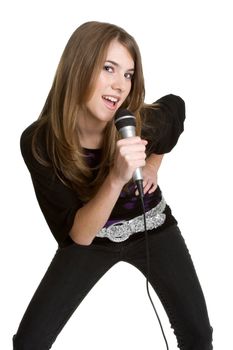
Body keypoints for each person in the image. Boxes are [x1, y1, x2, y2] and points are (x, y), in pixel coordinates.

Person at [13, 21, 213, 349]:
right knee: (30, 341)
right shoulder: (39, 143)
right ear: (78, 67)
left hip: (153, 228)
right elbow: (78, 236)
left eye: (128, 74)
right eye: (109, 68)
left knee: (199, 335)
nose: (121, 86)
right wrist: (116, 179)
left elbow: (175, 107)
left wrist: (152, 164)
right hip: (91, 238)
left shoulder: (136, 122)